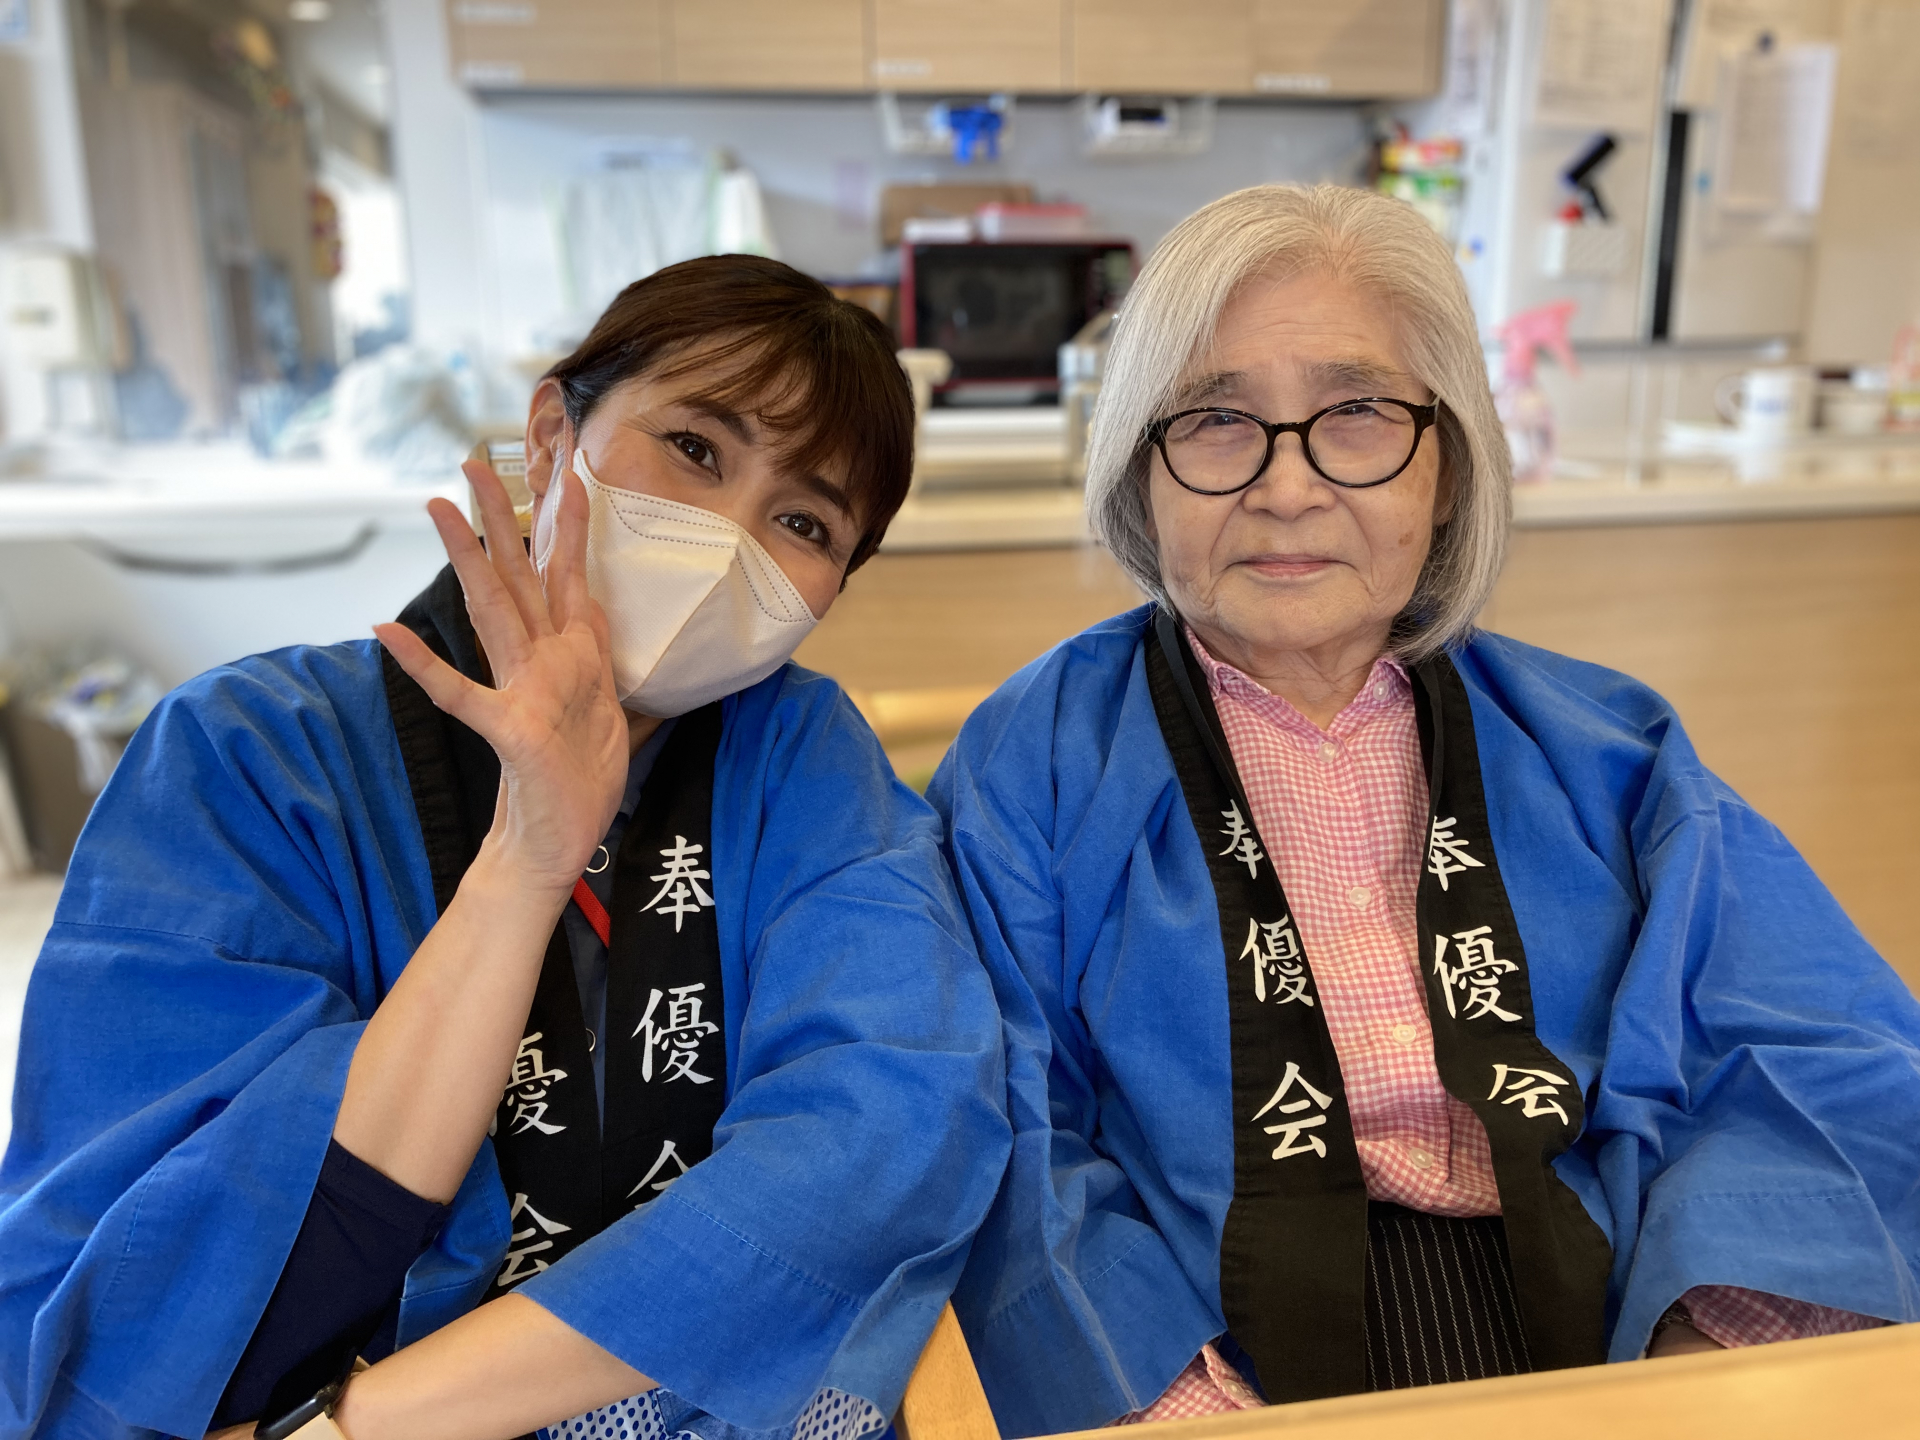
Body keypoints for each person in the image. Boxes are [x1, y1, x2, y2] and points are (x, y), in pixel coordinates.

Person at [928, 185, 1920, 1437]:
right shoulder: (1032, 766)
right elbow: (1003, 1130)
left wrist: (1692, 1370)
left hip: (1606, 1306)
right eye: (1217, 420)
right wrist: (1184, 1412)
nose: (1287, 487)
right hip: (1210, 1341)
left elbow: (1808, 1048)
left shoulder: (1610, 749)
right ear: (1141, 467)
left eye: (1357, 414)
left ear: (1447, 467)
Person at [0, 256, 1009, 1440]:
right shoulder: (250, 757)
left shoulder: (807, 761)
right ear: (551, 433)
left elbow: (887, 1133)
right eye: (694, 449)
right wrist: (529, 860)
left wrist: (359, 1429)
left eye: (803, 522)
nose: (726, 538)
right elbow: (147, 1287)